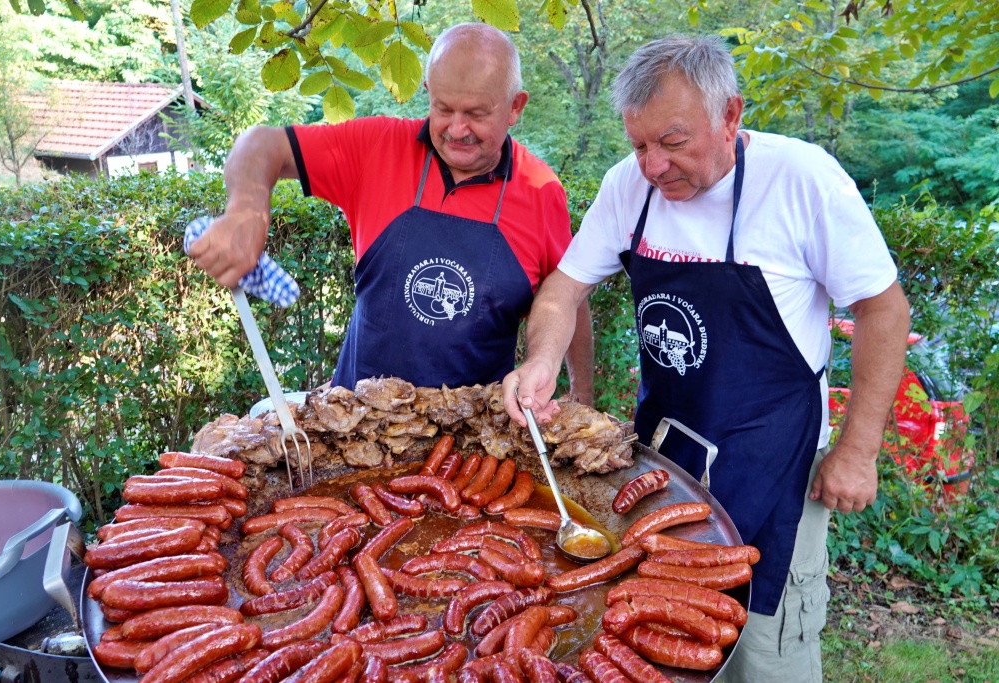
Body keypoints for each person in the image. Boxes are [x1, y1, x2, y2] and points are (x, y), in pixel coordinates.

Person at [503, 35, 910, 682]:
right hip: (663, 467)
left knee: (764, 653)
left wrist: (859, 449)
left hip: (776, 469)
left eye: (672, 142)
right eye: (639, 145)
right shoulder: (626, 189)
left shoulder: (801, 180)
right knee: (658, 645)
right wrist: (543, 359)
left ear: (730, 116)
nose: (654, 166)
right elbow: (565, 288)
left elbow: (883, 310)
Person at [188, 22, 593, 401]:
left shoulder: (541, 192)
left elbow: (567, 298)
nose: (456, 129)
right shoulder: (377, 148)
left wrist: (581, 400)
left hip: (470, 450)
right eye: (443, 108)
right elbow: (261, 144)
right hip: (356, 427)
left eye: (476, 113)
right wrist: (246, 209)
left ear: (515, 107)